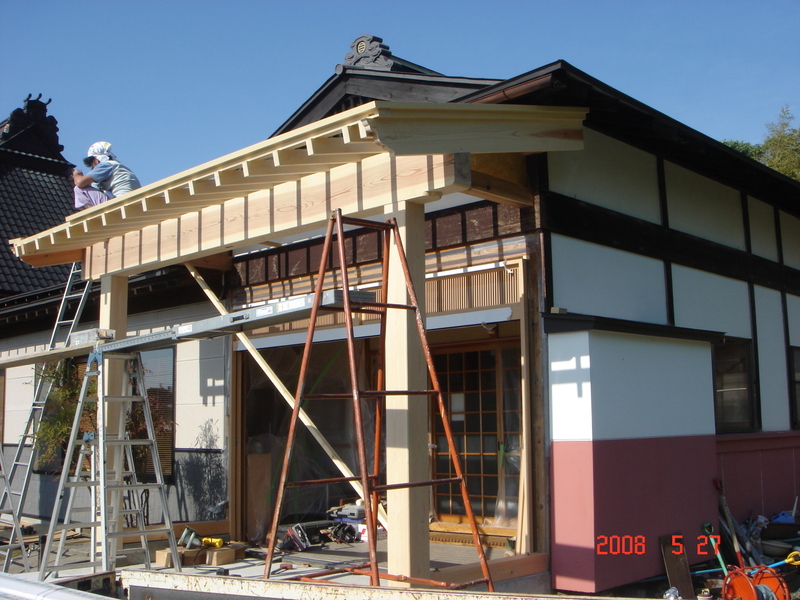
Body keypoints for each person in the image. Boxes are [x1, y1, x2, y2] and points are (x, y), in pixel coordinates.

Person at [73, 141, 141, 209]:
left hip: (120, 203)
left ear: (96, 159)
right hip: (134, 202)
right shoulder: (117, 166)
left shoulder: (105, 165)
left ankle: (94, 213)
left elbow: (80, 182)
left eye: (92, 164)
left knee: (79, 189)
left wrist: (76, 175)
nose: (93, 168)